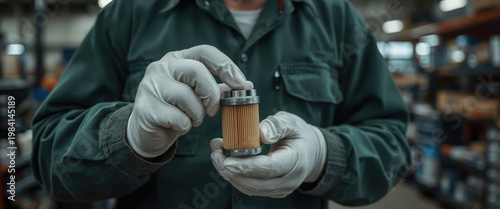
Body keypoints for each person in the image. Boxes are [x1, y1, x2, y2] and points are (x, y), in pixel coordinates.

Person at [31, 0, 412, 208]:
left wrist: (325, 156)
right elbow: (47, 157)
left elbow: (392, 147)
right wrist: (127, 137)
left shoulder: (336, 19)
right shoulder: (128, 13)